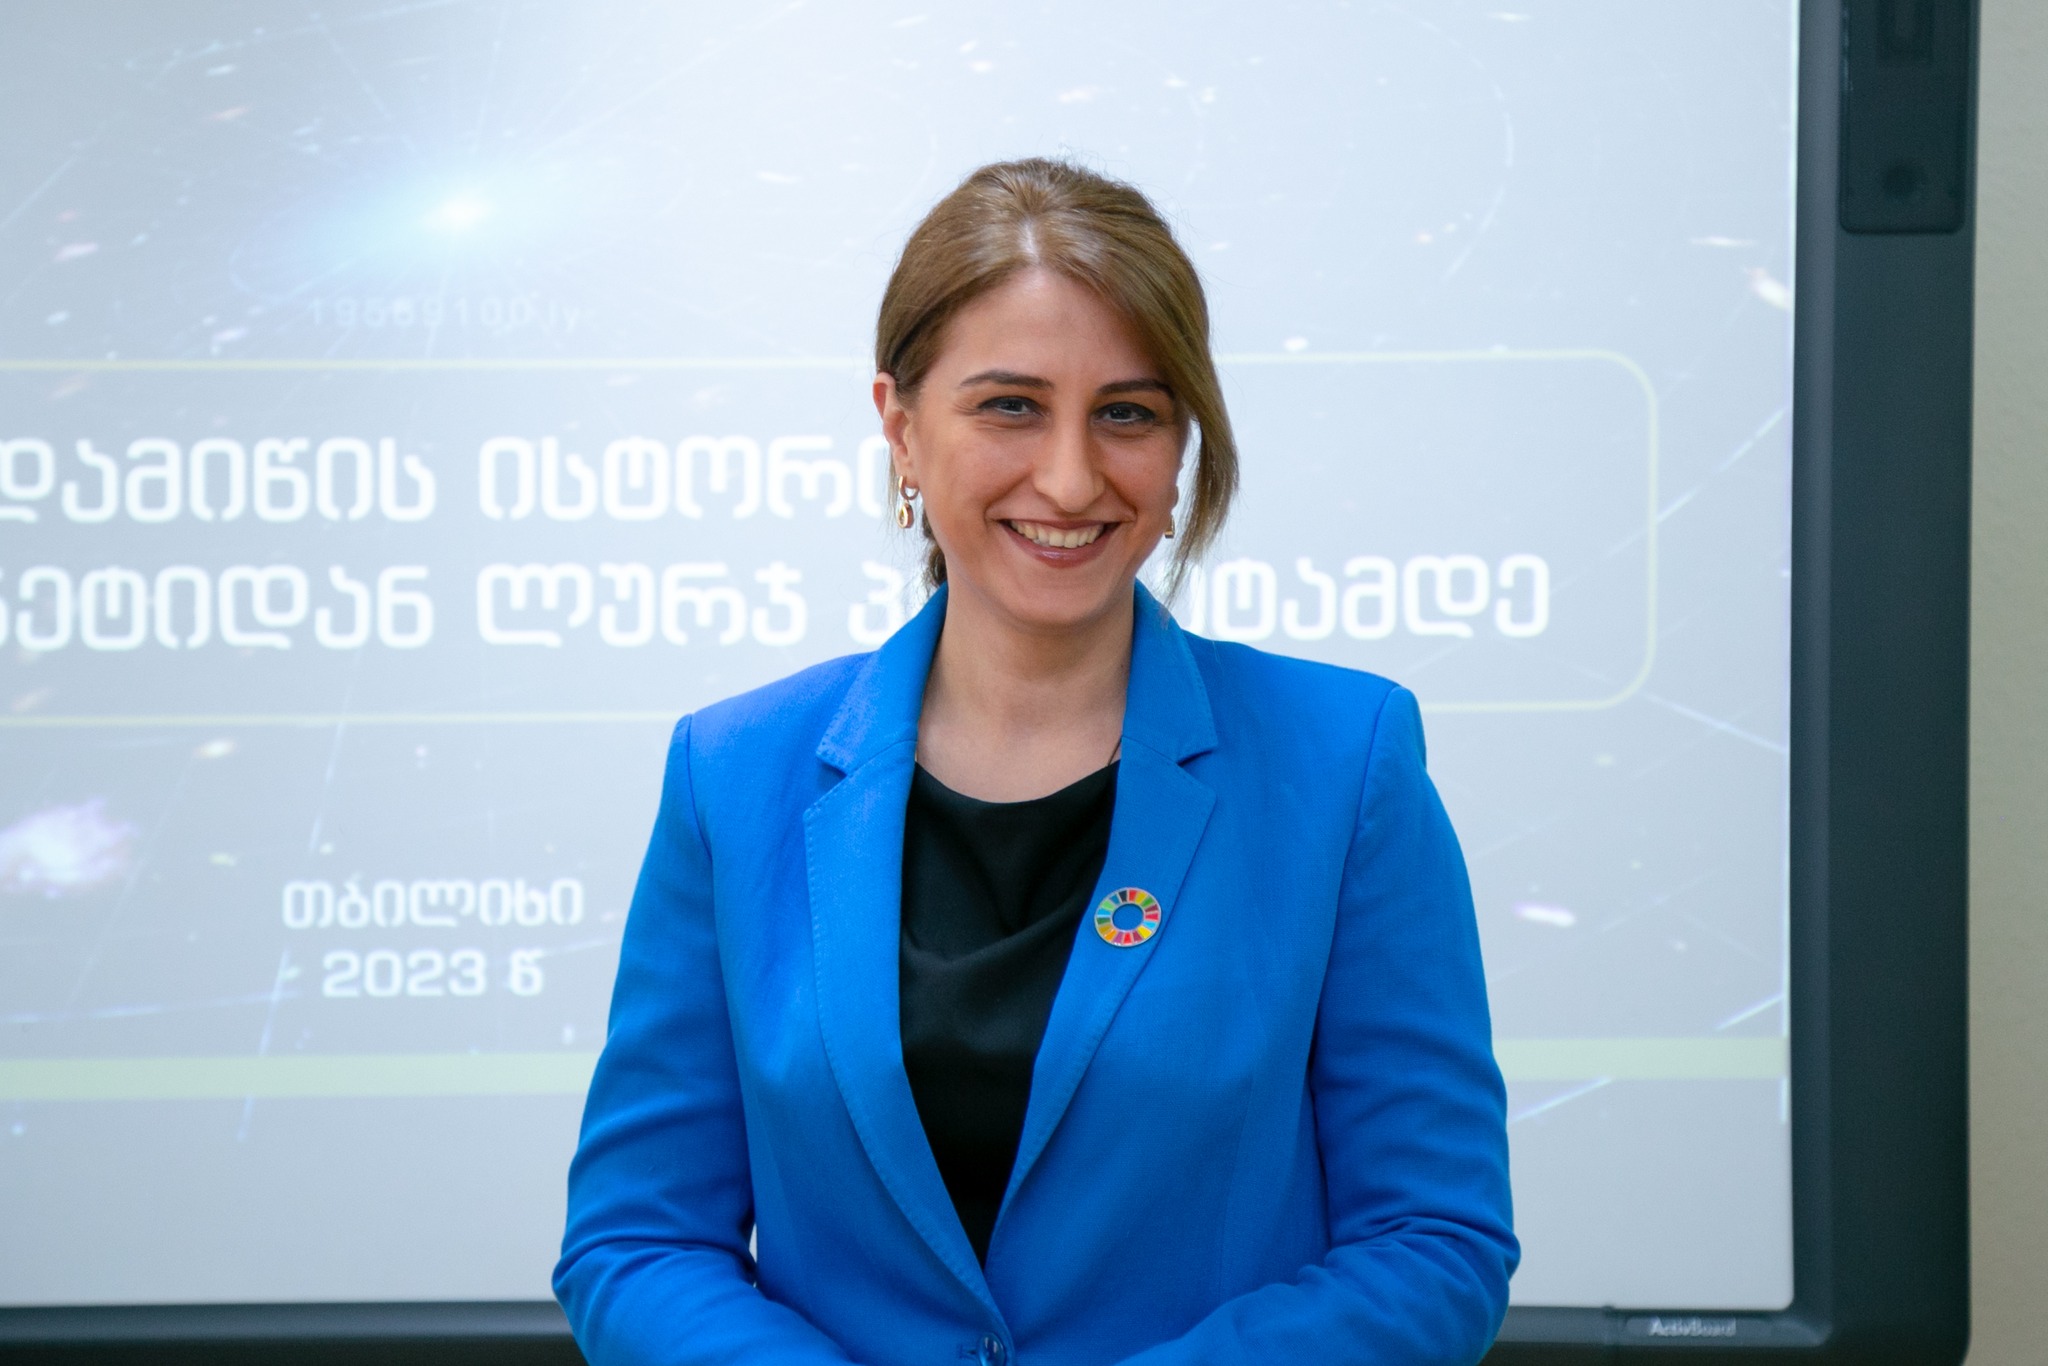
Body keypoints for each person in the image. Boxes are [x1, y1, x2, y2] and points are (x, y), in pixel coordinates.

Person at [554, 157, 1517, 1366]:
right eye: (1009, 406)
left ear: (1181, 443)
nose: (1068, 477)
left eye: (1127, 413)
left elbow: (1433, 1241)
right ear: (900, 428)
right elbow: (636, 1241)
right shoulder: (732, 774)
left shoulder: (1342, 763)